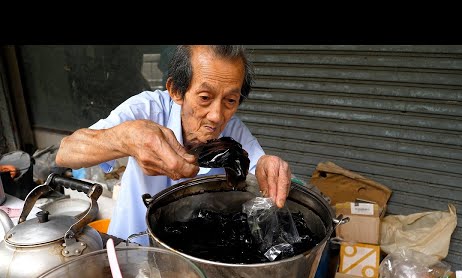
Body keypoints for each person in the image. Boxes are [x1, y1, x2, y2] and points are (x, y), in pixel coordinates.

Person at [56, 45, 292, 245]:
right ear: (176, 91)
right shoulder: (147, 111)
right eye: (205, 98)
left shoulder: (235, 133)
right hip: (130, 250)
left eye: (230, 100)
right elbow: (66, 152)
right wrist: (125, 138)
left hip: (192, 261)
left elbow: (260, 172)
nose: (217, 116)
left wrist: (269, 165)